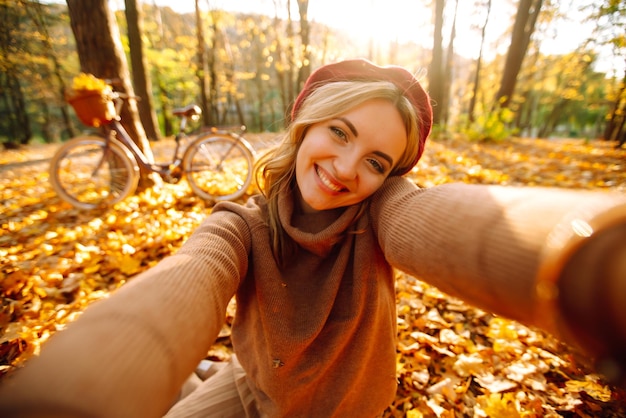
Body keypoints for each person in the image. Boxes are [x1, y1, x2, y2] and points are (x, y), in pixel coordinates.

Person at [0, 59, 625, 418]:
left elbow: (447, 225)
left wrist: (594, 261)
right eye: (340, 132)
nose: (351, 168)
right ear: (304, 126)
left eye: (379, 161)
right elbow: (190, 277)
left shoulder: (383, 214)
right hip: (254, 387)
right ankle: (199, 373)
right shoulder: (242, 223)